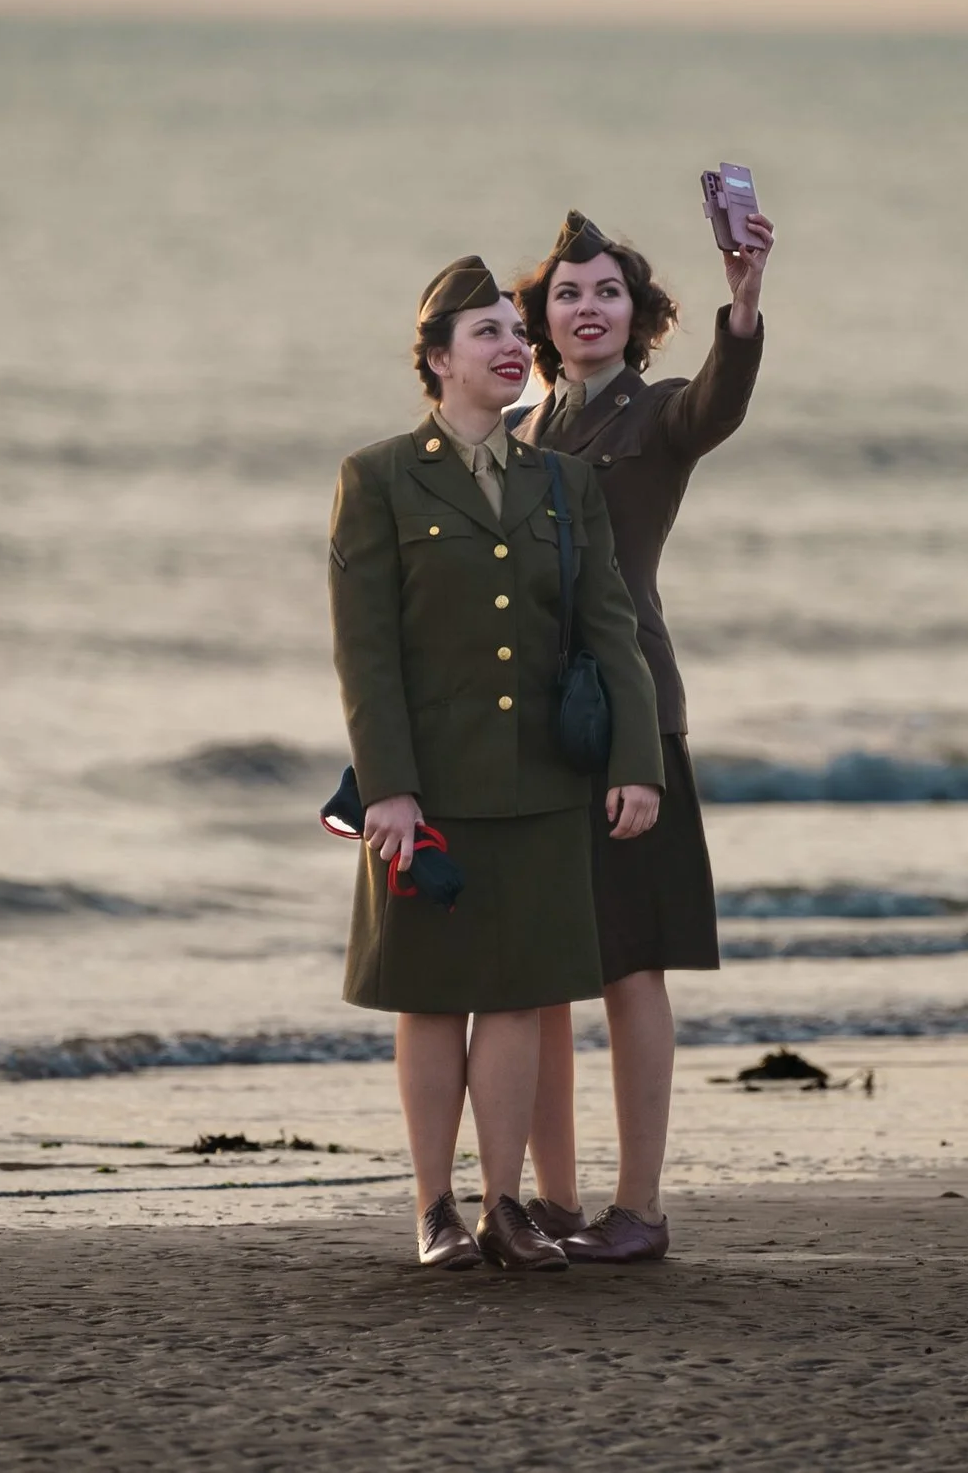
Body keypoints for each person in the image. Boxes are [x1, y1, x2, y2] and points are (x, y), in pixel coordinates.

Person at [328, 253, 665, 1271]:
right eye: (487, 335)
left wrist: (635, 761)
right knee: (433, 994)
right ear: (435, 361)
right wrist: (387, 783)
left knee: (519, 994)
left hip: (541, 781)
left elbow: (609, 625)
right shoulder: (378, 476)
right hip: (425, 785)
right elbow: (365, 646)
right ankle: (434, 1205)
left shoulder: (561, 481)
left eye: (516, 336)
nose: (515, 346)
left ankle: (504, 1201)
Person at [509, 204, 775, 1263]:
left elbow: (720, 402)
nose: (586, 306)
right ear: (540, 316)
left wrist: (745, 299)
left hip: (631, 716)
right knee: (540, 967)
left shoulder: (658, 413)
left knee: (630, 965)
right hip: (530, 724)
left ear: (638, 315)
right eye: (567, 293)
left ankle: (641, 1208)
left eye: (606, 291)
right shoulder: (522, 429)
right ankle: (556, 1199)